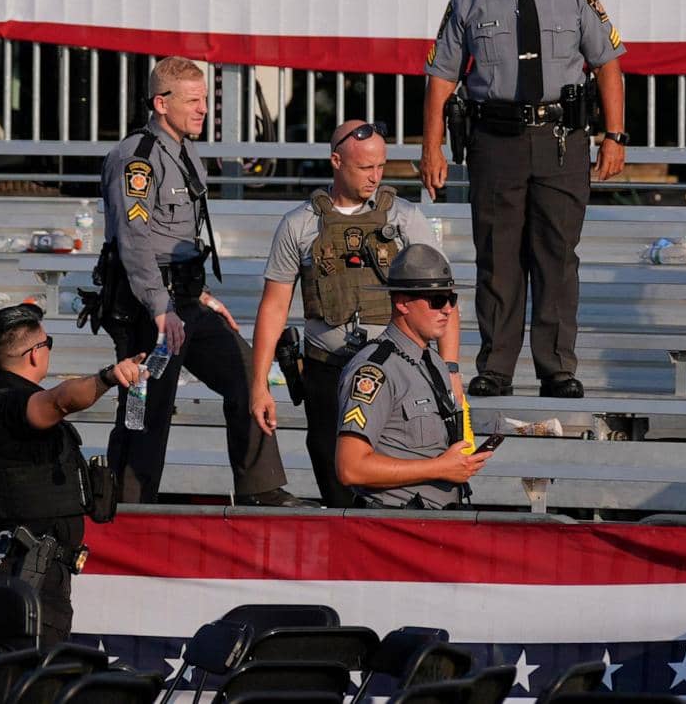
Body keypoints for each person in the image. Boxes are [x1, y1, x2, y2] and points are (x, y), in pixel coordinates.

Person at [419, 0, 628, 400]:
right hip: (495, 141)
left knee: (556, 257)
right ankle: (496, 368)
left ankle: (557, 368)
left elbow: (608, 65)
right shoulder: (468, 0)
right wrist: (431, 146)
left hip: (561, 141)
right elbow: (441, 78)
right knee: (498, 258)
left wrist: (615, 136)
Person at [97, 55, 300, 505]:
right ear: (160, 103)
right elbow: (134, 242)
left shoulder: (186, 150)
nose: (203, 108)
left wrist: (199, 295)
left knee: (248, 373)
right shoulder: (138, 159)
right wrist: (160, 307)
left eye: (205, 98)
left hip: (185, 300)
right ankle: (127, 506)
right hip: (147, 308)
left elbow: (179, 240)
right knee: (147, 408)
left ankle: (260, 488)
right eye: (192, 100)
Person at [250, 120, 458, 508]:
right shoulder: (299, 224)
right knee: (337, 485)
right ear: (336, 161)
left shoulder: (406, 218)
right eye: (365, 168)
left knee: (394, 487)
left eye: (381, 166)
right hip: (327, 370)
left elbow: (443, 298)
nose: (375, 177)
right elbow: (274, 306)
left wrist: (451, 371)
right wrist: (259, 384)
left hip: (396, 373)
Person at [0, 303, 142, 645]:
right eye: (48, 344)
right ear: (34, 354)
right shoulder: (10, 406)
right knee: (32, 678)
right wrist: (107, 377)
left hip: (27, 569)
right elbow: (61, 400)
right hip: (32, 576)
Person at [335, 244, 492, 508]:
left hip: (437, 521)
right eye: (437, 300)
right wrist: (438, 468)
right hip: (394, 526)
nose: (447, 310)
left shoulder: (433, 363)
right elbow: (351, 467)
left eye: (451, 299)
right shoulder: (374, 371)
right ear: (402, 303)